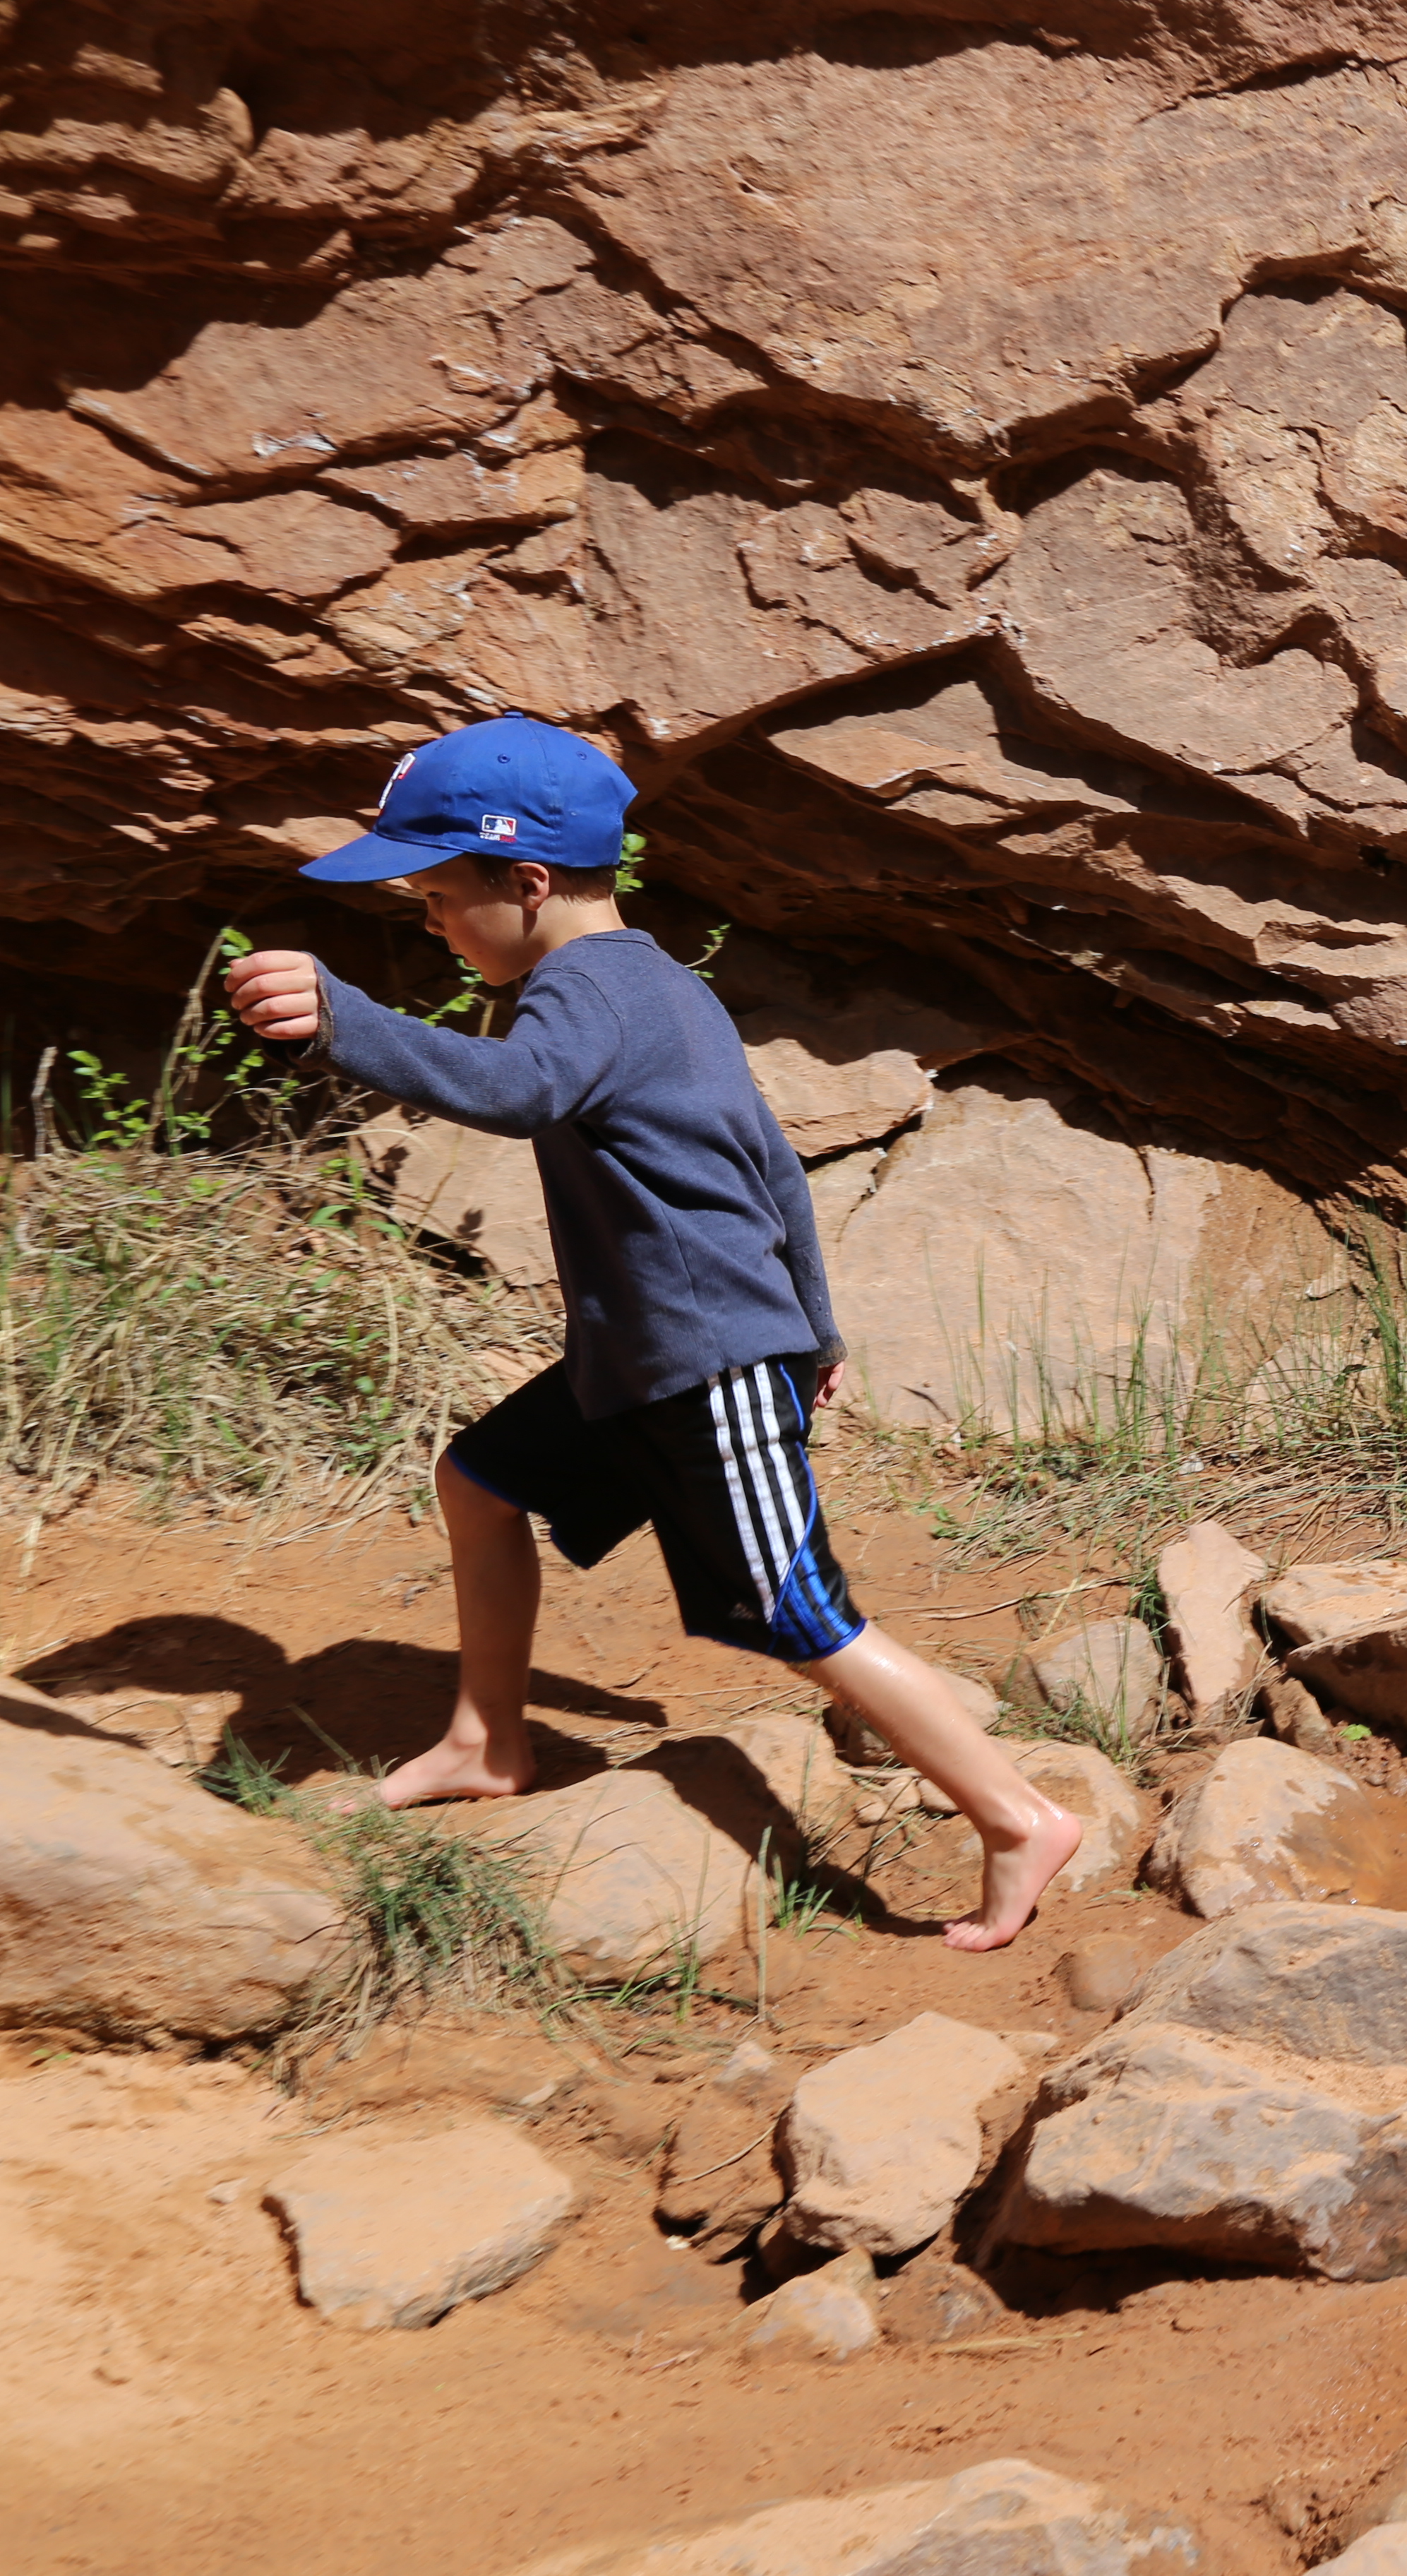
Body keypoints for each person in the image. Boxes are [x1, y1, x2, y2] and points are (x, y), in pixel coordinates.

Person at [224, 714, 1080, 1951]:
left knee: (797, 1614)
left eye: (435, 900)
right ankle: (486, 1737)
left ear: (526, 883)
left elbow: (519, 1091)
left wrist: (345, 1019)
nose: (431, 925)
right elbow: (771, 1163)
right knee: (477, 1480)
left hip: (706, 1359)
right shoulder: (654, 985)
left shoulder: (597, 992)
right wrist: (820, 1324)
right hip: (646, 1352)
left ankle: (1015, 1815)